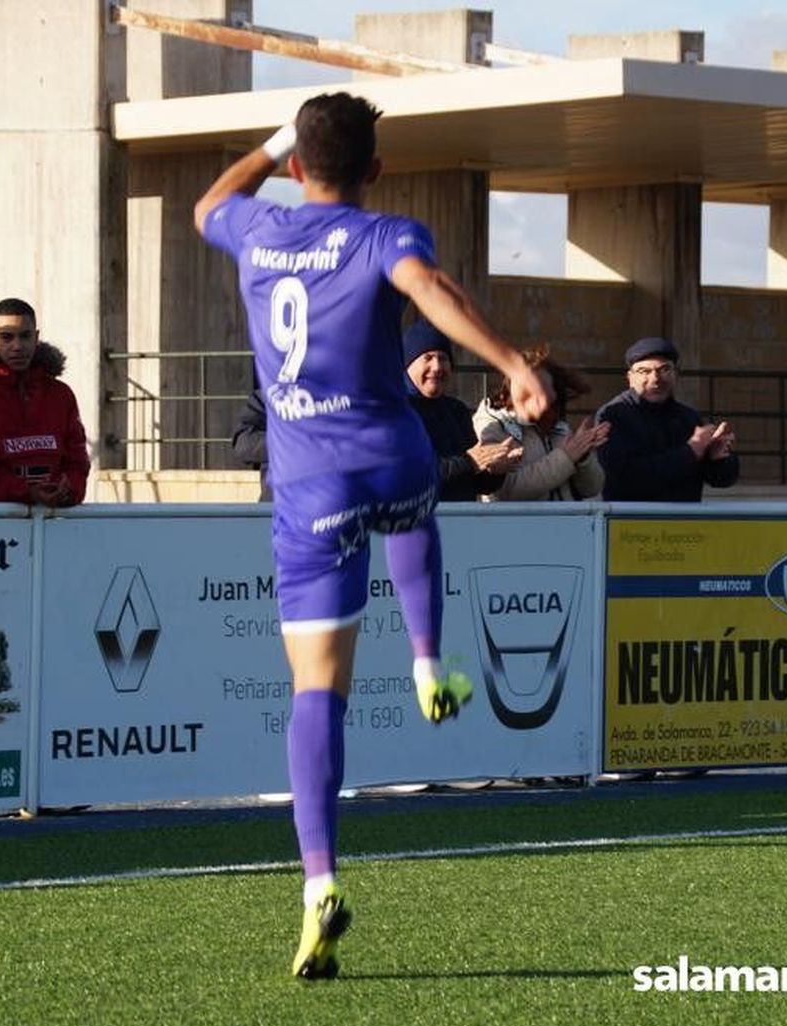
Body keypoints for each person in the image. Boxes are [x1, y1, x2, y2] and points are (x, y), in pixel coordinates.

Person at [194, 91, 551, 980]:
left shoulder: (257, 229)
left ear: (297, 167)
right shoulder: (384, 234)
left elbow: (209, 203)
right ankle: (429, 660)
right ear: (377, 170)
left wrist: (276, 140)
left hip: (309, 484)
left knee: (316, 690)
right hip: (394, 461)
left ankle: (319, 882)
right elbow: (431, 289)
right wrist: (511, 362)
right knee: (417, 510)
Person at [0, 298, 90, 506]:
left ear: (36, 337)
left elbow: (78, 462)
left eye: (25, 336)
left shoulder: (61, 395)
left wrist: (68, 491)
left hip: (57, 520)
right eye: (7, 337)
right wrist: (26, 494)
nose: (17, 346)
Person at [596, 336, 738, 502]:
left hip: (683, 516)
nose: (655, 379)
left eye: (664, 369)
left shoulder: (688, 417)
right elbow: (626, 478)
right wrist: (690, 452)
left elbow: (721, 480)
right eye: (644, 371)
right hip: (631, 516)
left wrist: (718, 459)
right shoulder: (614, 415)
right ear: (630, 377)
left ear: (676, 374)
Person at [403, 319, 520, 500]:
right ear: (407, 365)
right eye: (428, 358)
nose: (437, 367)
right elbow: (407, 475)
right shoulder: (394, 411)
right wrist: (469, 461)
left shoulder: (457, 411)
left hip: (462, 515)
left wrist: (495, 468)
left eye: (443, 358)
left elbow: (478, 483)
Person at [473, 348, 607, 501]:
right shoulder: (493, 425)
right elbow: (506, 490)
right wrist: (566, 457)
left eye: (544, 393)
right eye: (528, 391)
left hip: (565, 516)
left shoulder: (558, 426)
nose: (539, 402)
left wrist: (583, 457)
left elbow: (592, 488)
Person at [231, 387, 271, 501]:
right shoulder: (269, 395)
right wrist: (284, 443)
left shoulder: (321, 395)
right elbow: (243, 443)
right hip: (277, 504)